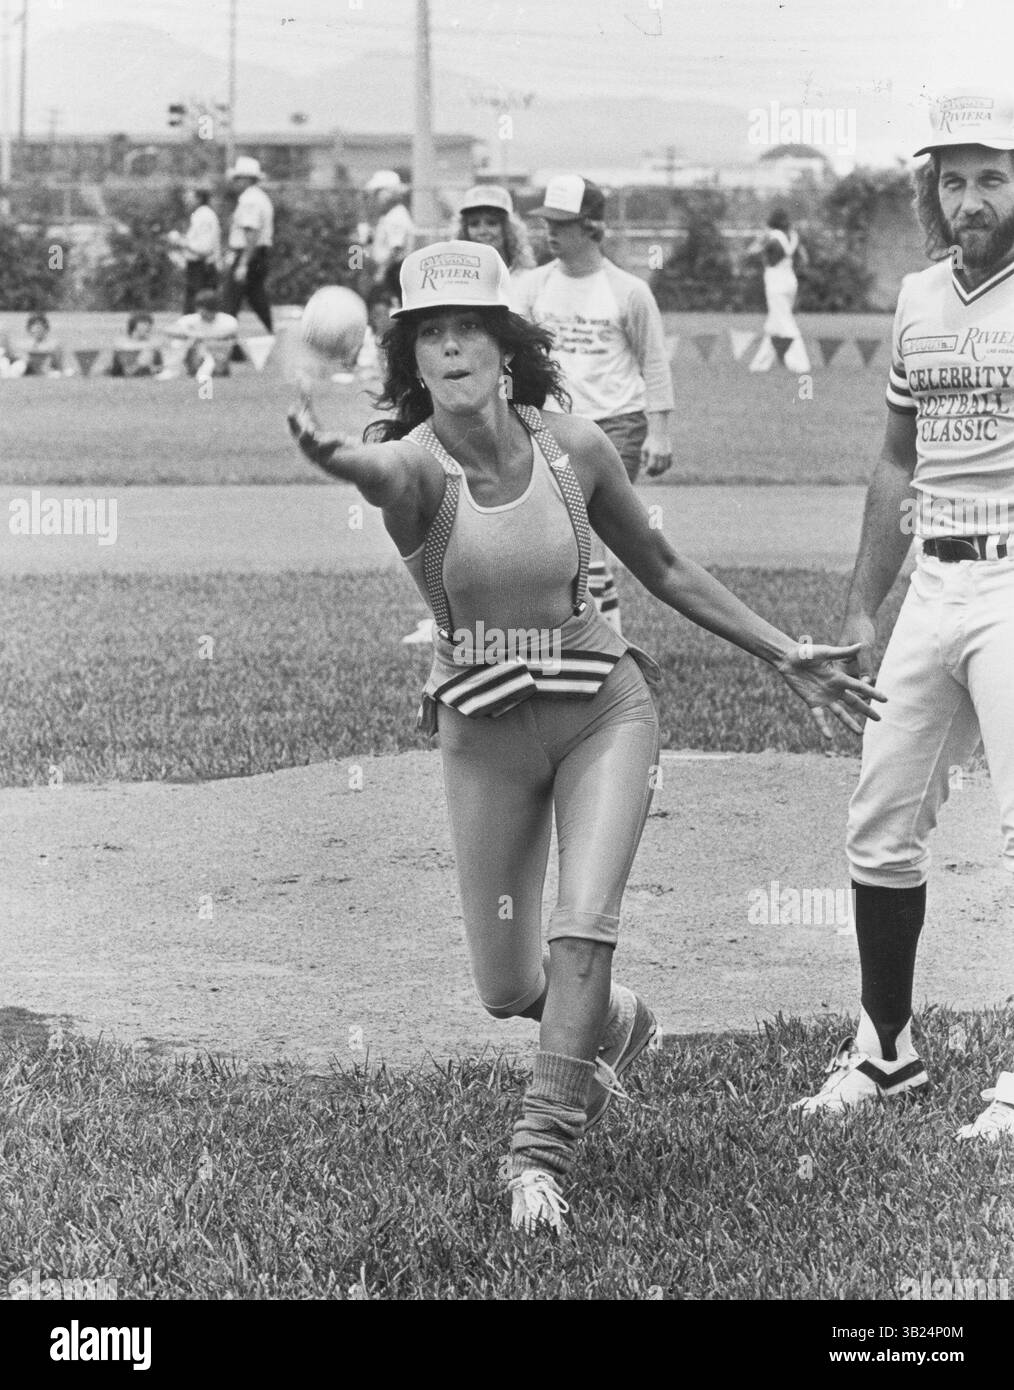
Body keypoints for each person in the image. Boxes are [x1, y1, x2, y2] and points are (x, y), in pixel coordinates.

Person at [286, 240, 886, 1233]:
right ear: (412, 358)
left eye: (469, 327)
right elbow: (378, 472)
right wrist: (335, 456)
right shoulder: (417, 467)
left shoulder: (575, 447)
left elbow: (663, 564)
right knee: (505, 985)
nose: (451, 347)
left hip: (604, 709)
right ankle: (614, 1021)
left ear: (507, 344)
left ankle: (536, 1153)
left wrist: (785, 652)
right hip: (483, 728)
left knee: (584, 924)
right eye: (430, 333)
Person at [792, 88, 1014, 1141]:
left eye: (992, 177)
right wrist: (860, 609)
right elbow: (895, 462)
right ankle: (886, 1051)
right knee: (880, 824)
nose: (970, 199)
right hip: (934, 584)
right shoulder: (921, 297)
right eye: (953, 180)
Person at [516, 175, 674, 636]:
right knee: (568, 533)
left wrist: (659, 432)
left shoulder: (629, 291)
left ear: (592, 227)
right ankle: (596, 637)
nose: (550, 231)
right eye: (547, 221)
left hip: (616, 424)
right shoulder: (533, 286)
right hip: (553, 425)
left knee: (586, 525)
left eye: (562, 223)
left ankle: (604, 642)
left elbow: (654, 362)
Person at [747, 209, 811, 374]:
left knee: (784, 323)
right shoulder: (793, 236)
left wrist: (762, 237)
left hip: (775, 282)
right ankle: (760, 364)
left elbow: (752, 251)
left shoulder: (772, 236)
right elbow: (804, 258)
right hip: (790, 279)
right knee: (774, 324)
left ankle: (800, 363)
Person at [222, 156, 274, 335]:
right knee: (256, 296)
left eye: (238, 178)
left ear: (246, 179)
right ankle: (272, 331)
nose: (235, 182)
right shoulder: (260, 197)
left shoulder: (250, 200)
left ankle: (226, 339)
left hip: (248, 253)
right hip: (257, 253)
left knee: (230, 299)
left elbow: (251, 233)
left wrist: (243, 263)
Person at [158, 290, 238, 379]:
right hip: (194, 354)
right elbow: (169, 330)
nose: (201, 312)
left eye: (204, 309)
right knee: (177, 343)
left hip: (218, 355)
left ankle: (211, 368)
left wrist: (200, 337)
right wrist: (190, 335)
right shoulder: (191, 319)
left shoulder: (228, 321)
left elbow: (228, 337)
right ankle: (171, 370)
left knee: (209, 345)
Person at [168, 185, 222, 313]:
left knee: (199, 306)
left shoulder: (204, 216)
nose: (186, 199)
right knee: (194, 305)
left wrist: (179, 241)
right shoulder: (198, 215)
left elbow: (204, 248)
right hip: (197, 266)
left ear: (199, 198)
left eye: (189, 196)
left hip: (202, 267)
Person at [364, 170, 415, 286]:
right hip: (389, 271)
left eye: (377, 193)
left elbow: (396, 249)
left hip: (393, 272)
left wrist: (381, 272)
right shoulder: (388, 215)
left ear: (388, 193)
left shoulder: (396, 216)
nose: (375, 197)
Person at [7, 313, 67, 377]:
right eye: (35, 327)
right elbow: (14, 358)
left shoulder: (54, 345)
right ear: (29, 329)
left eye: (40, 327)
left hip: (47, 372)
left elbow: (58, 365)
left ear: (46, 329)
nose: (38, 330)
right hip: (26, 371)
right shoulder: (22, 345)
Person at [109, 312, 163, 377]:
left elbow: (159, 366)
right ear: (134, 327)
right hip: (126, 371)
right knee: (147, 353)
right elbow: (121, 367)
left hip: (144, 371)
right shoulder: (122, 342)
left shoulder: (152, 345)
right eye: (143, 326)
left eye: (148, 326)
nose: (147, 329)